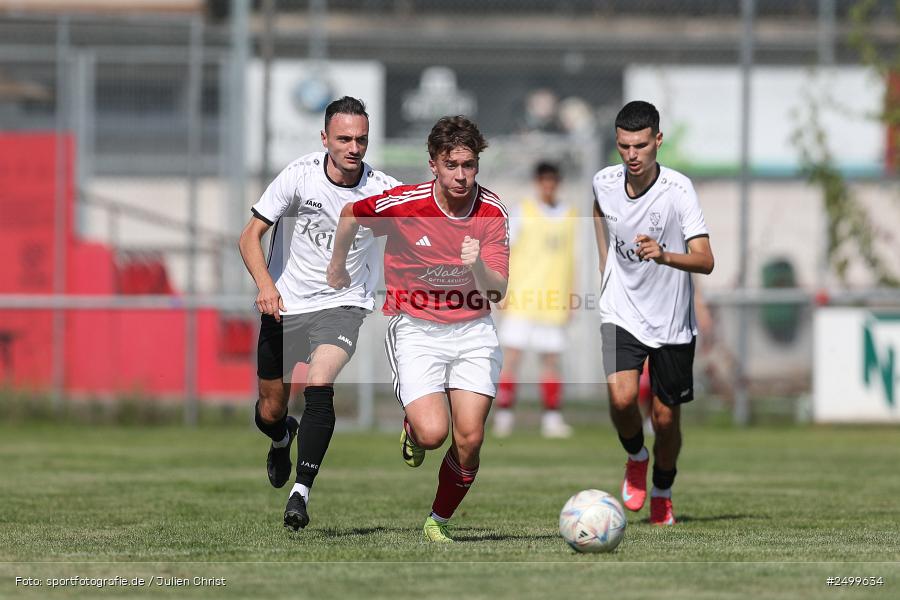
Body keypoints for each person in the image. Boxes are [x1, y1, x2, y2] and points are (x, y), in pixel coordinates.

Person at [327, 116, 509, 542]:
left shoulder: (492, 211)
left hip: (472, 330)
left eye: (469, 164)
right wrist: (337, 263)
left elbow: (498, 290)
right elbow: (352, 211)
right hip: (416, 329)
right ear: (434, 165)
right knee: (433, 433)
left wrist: (475, 264)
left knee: (470, 438)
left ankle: (437, 521)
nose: (461, 175)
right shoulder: (405, 204)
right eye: (452, 165)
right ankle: (414, 428)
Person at [237, 96, 399, 531]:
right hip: (286, 305)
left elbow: (414, 234)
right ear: (324, 138)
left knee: (320, 382)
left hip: (342, 305)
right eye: (344, 138)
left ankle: (300, 494)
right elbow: (249, 237)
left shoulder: (383, 189)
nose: (353, 147)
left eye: (361, 139)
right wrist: (267, 288)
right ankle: (281, 437)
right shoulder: (298, 176)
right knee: (270, 411)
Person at [592, 100, 714, 526]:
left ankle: (662, 488)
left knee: (664, 418)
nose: (632, 155)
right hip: (622, 310)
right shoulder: (604, 182)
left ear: (657, 141)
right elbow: (598, 209)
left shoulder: (679, 191)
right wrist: (604, 264)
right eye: (624, 146)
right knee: (622, 398)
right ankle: (635, 456)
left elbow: (706, 260)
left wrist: (664, 256)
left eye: (641, 145)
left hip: (671, 322)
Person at [494, 161, 576, 438]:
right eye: (544, 180)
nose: (548, 185)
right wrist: (502, 291)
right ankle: (504, 415)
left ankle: (552, 418)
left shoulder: (568, 215)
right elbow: (505, 252)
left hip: (552, 300)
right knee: (512, 358)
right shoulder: (522, 212)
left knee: (551, 360)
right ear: (537, 182)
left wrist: (570, 293)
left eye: (552, 180)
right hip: (522, 297)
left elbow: (570, 260)